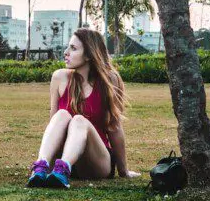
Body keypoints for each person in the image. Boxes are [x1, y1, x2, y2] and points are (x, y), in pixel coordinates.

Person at [27, 28, 140, 189]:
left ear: (88, 55)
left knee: (79, 120)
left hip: (96, 160)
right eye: (68, 47)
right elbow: (53, 124)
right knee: (61, 115)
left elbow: (114, 127)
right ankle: (41, 167)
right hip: (64, 156)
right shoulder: (59, 77)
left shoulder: (109, 81)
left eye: (73, 49)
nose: (66, 52)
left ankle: (62, 169)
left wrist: (123, 171)